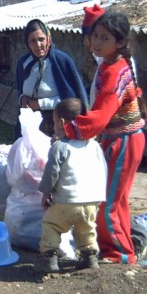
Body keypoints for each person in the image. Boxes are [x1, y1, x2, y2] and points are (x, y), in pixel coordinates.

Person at [63, 10, 147, 264]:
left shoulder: (114, 72)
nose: (96, 43)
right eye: (95, 36)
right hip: (125, 139)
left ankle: (118, 253)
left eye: (104, 38)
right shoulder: (112, 65)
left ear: (120, 42)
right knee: (118, 200)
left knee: (106, 202)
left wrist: (70, 129)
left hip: (122, 142)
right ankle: (124, 250)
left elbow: (101, 115)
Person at [38, 97, 107, 273]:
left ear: (61, 123)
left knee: (52, 225)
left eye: (53, 122)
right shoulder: (95, 146)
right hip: (92, 201)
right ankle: (90, 257)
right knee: (87, 230)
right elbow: (103, 170)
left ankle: (50, 259)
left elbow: (51, 173)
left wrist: (46, 193)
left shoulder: (60, 147)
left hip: (66, 201)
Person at [15, 19, 89, 138]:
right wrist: (22, 99)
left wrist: (41, 104)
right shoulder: (23, 63)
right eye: (32, 41)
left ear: (48, 38)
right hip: (30, 125)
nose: (38, 45)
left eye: (41, 39)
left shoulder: (61, 61)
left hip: (57, 125)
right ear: (27, 44)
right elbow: (20, 91)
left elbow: (71, 101)